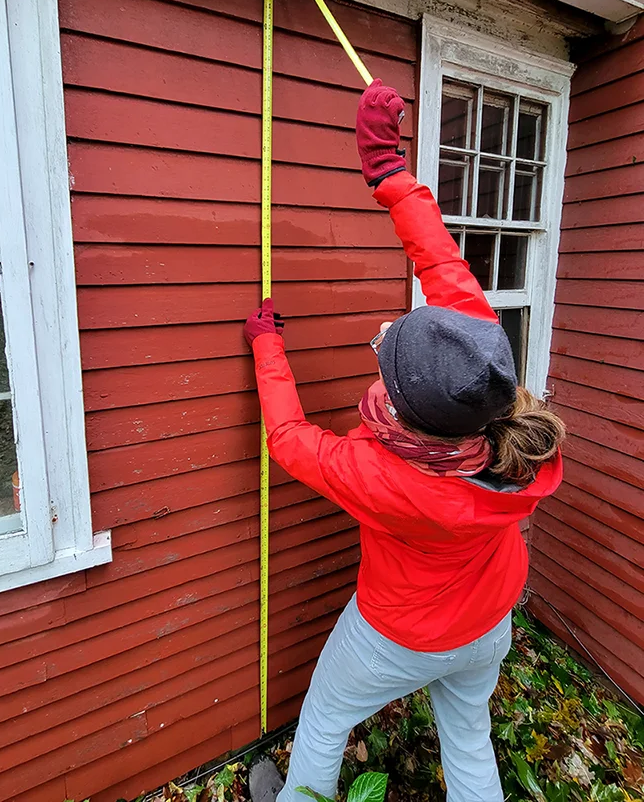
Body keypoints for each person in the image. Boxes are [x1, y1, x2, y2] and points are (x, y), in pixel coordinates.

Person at [244, 80, 565, 802]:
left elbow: (289, 439)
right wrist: (388, 173)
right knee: (469, 736)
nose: (386, 333)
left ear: (406, 408)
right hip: (488, 622)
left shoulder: (377, 470)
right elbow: (443, 268)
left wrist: (269, 347)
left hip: (397, 635)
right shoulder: (488, 378)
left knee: (325, 718)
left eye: (392, 352)